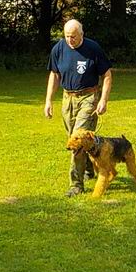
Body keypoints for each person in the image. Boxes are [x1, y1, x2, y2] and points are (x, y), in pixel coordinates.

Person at [44, 19, 112, 197]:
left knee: (76, 142)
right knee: (76, 139)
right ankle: (89, 169)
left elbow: (107, 74)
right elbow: (54, 75)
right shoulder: (58, 48)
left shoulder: (93, 48)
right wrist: (49, 100)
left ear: (81, 34)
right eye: (67, 36)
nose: (70, 40)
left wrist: (103, 100)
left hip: (88, 98)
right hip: (68, 99)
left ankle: (76, 184)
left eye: (73, 37)